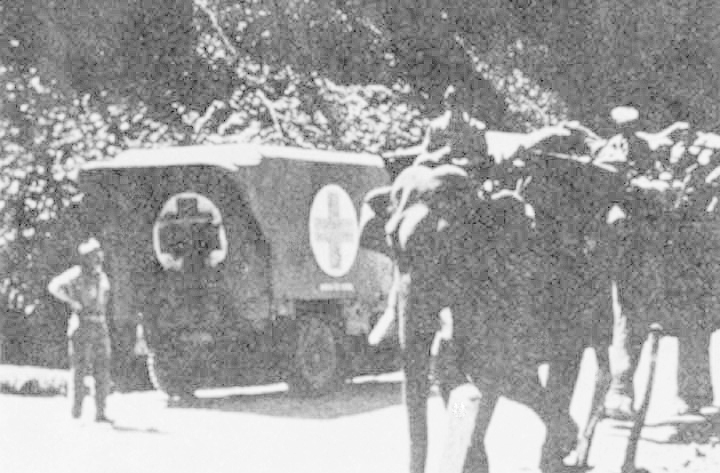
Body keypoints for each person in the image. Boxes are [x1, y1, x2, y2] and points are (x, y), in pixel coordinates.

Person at [48, 237, 113, 422]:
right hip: (82, 324)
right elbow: (54, 286)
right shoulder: (76, 273)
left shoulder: (101, 275)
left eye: (98, 253)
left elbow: (104, 296)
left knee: (102, 370)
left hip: (99, 324)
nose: (97, 257)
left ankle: (100, 412)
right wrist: (71, 301)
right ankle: (76, 412)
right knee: (79, 370)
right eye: (93, 254)